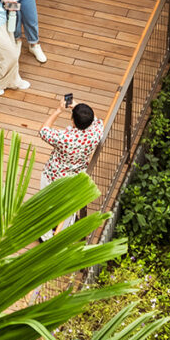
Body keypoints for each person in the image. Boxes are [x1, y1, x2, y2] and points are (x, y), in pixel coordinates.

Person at [38, 97, 105, 238]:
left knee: (47, 206)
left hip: (54, 176)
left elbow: (43, 131)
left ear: (73, 120)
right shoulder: (96, 132)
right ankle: (64, 231)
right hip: (75, 176)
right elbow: (97, 121)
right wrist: (77, 108)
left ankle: (46, 236)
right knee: (68, 208)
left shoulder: (66, 138)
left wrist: (58, 110)